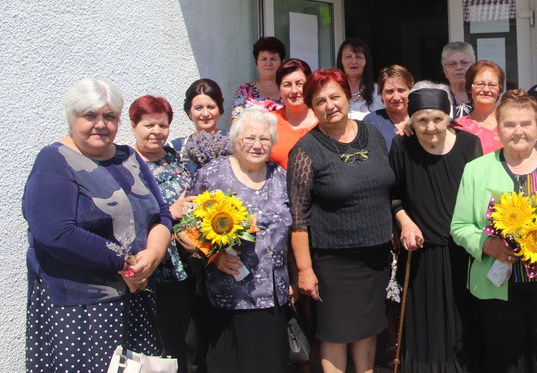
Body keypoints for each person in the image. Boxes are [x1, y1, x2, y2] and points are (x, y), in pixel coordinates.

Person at [23, 79, 172, 372]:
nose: (101, 124)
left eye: (110, 116)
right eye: (90, 115)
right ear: (72, 118)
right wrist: (126, 264)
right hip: (81, 308)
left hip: (136, 298)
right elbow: (56, 233)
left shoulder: (129, 157)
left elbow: (162, 214)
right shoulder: (55, 160)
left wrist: (154, 254)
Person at [451, 89, 537, 373]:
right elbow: (460, 226)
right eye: (509, 124)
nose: (518, 131)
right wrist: (487, 244)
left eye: (526, 123)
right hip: (499, 284)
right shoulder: (476, 170)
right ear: (498, 128)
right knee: (505, 362)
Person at [287, 68, 394, 373]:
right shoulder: (306, 150)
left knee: (368, 329)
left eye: (335, 96)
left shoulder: (373, 134)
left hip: (375, 258)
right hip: (333, 261)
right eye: (320, 101)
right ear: (312, 107)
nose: (329, 105)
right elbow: (298, 217)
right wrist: (305, 270)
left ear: (347, 96)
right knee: (335, 334)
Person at [187, 109, 292, 372]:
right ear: (235, 140)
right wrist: (213, 255)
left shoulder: (280, 176)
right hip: (227, 295)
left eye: (265, 139)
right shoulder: (212, 174)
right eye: (250, 138)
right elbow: (187, 225)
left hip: (272, 296)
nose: (257, 145)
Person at [389, 87, 482, 372]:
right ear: (411, 121)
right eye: (422, 120)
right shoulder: (402, 146)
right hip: (420, 252)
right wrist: (405, 223)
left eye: (438, 119)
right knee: (424, 327)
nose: (430, 127)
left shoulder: (469, 143)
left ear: (449, 117)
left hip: (463, 251)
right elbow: (393, 195)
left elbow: (480, 196)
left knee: (463, 324)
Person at [129, 95, 206, 372]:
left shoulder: (175, 158)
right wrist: (170, 212)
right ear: (134, 126)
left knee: (195, 343)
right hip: (158, 270)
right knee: (168, 345)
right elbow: (129, 216)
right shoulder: (128, 166)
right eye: (149, 125)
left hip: (190, 264)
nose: (156, 131)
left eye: (162, 125)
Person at [171, 78, 230, 173]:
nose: (205, 113)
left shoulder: (234, 142)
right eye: (198, 108)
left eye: (211, 107)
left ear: (219, 109)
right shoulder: (177, 148)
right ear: (189, 112)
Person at [269, 58, 318, 169]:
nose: (294, 91)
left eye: (300, 84)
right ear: (279, 89)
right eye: (287, 85)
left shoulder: (324, 120)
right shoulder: (268, 122)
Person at [454, 60, 505, 154]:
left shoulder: (510, 121)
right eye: (480, 84)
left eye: (492, 85)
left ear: (499, 89)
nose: (486, 89)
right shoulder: (458, 127)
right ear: (469, 88)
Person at [231, 36, 286, 118]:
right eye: (263, 59)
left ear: (282, 63)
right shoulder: (245, 90)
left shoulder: (290, 91)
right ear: (256, 63)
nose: (268, 64)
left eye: (273, 59)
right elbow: (236, 122)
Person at [363, 64, 414, 150]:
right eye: (390, 91)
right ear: (380, 94)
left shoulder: (421, 118)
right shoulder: (371, 122)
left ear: (411, 91)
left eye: (401, 90)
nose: (396, 97)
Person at [336, 38, 383, 119]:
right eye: (348, 57)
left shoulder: (378, 92)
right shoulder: (333, 90)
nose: (354, 62)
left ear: (366, 61)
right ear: (341, 61)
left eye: (358, 57)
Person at [440, 41, 476, 118]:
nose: (459, 67)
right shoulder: (440, 98)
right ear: (445, 71)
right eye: (452, 64)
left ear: (473, 67)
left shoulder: (481, 95)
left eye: (464, 63)